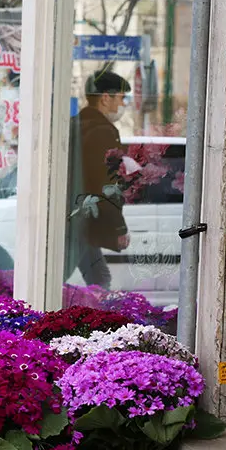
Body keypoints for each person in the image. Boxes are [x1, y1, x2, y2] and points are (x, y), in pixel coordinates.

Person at [65, 70, 132, 289]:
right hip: (85, 218)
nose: (123, 104)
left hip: (72, 214)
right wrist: (118, 228)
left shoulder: (74, 124)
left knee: (99, 277)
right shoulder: (103, 131)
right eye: (122, 98)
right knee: (66, 276)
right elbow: (105, 184)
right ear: (105, 97)